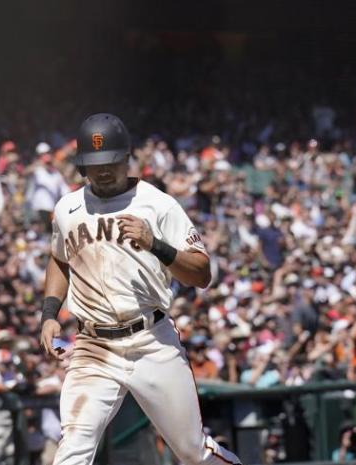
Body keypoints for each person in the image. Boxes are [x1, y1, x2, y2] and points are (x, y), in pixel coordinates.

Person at [39, 113, 242, 465]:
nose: (102, 171)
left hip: (152, 339)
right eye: (93, 164)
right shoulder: (68, 208)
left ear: (127, 157)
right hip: (94, 345)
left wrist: (155, 244)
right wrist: (48, 314)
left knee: (194, 452)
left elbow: (202, 273)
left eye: (110, 162)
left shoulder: (158, 204)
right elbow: (59, 259)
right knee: (72, 447)